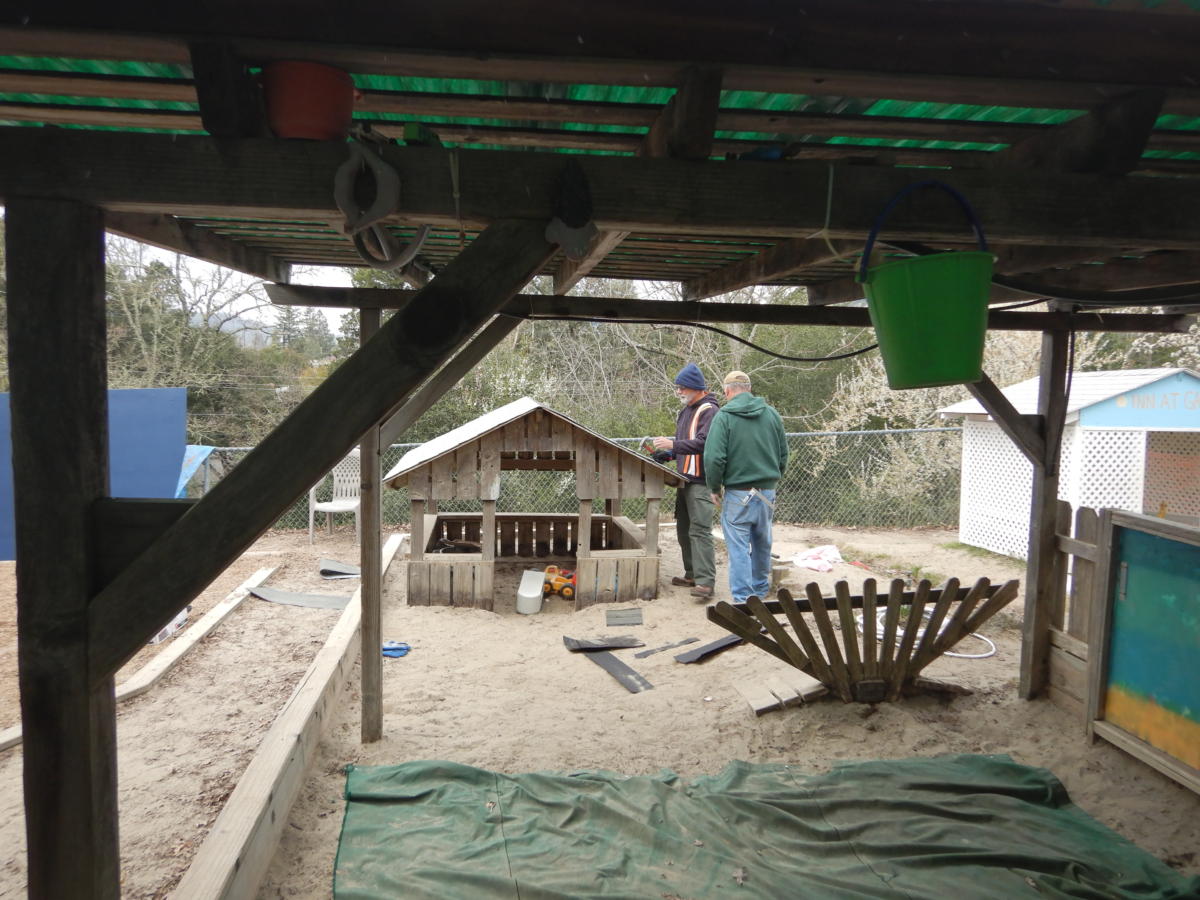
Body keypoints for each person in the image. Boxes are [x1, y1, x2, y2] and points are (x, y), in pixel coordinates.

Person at [704, 370, 788, 604]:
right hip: (767, 492)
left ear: (727, 391)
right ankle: (760, 591)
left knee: (738, 547)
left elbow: (714, 458)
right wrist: (772, 479)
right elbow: (783, 453)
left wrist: (714, 487)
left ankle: (743, 600)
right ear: (749, 389)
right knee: (762, 541)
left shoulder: (724, 417)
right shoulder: (771, 414)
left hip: (738, 494)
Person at [651, 363, 721, 600]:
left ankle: (706, 582)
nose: (679, 391)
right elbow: (686, 444)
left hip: (700, 482)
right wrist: (669, 454)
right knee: (683, 530)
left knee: (700, 531)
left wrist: (673, 445)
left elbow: (704, 443)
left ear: (695, 387)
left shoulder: (709, 410)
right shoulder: (686, 411)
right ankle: (692, 574)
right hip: (684, 480)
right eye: (678, 387)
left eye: (682, 387)